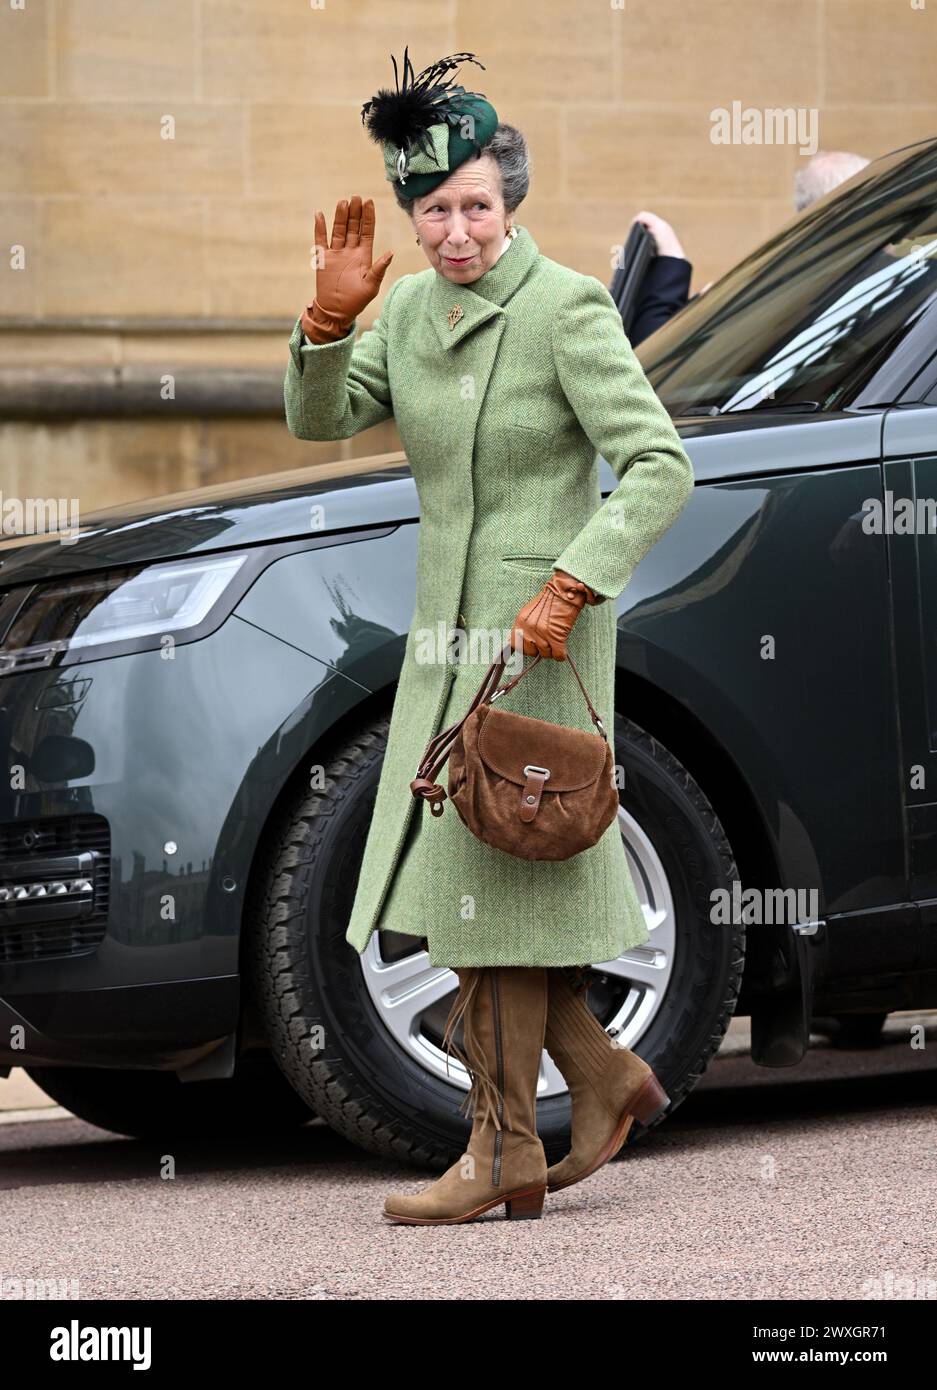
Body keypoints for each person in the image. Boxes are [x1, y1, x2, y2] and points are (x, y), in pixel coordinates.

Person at [283, 48, 694, 1225]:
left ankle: (503, 1151)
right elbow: (324, 420)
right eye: (434, 212)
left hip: (542, 647)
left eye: (474, 207)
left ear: (509, 203)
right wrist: (324, 320)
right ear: (410, 221)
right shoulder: (407, 309)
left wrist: (573, 584)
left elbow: (660, 466)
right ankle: (602, 1078)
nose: (455, 233)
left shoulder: (565, 305)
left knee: (493, 890)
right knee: (459, 883)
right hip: (443, 641)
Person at [627, 149, 871, 345]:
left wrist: (671, 260)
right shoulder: (893, 283)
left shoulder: (777, 286)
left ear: (807, 214)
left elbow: (653, 355)